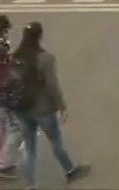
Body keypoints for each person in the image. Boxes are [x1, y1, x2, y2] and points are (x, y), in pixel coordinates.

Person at [5, 22, 90, 189]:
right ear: (40, 36)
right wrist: (61, 106)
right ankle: (69, 170)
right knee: (56, 141)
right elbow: (52, 86)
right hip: (42, 108)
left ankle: (30, 183)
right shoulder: (45, 58)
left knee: (29, 148)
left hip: (22, 108)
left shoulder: (15, 57)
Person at [0, 15, 20, 181]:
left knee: (4, 126)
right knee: (15, 127)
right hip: (4, 92)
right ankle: (5, 165)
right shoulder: (1, 48)